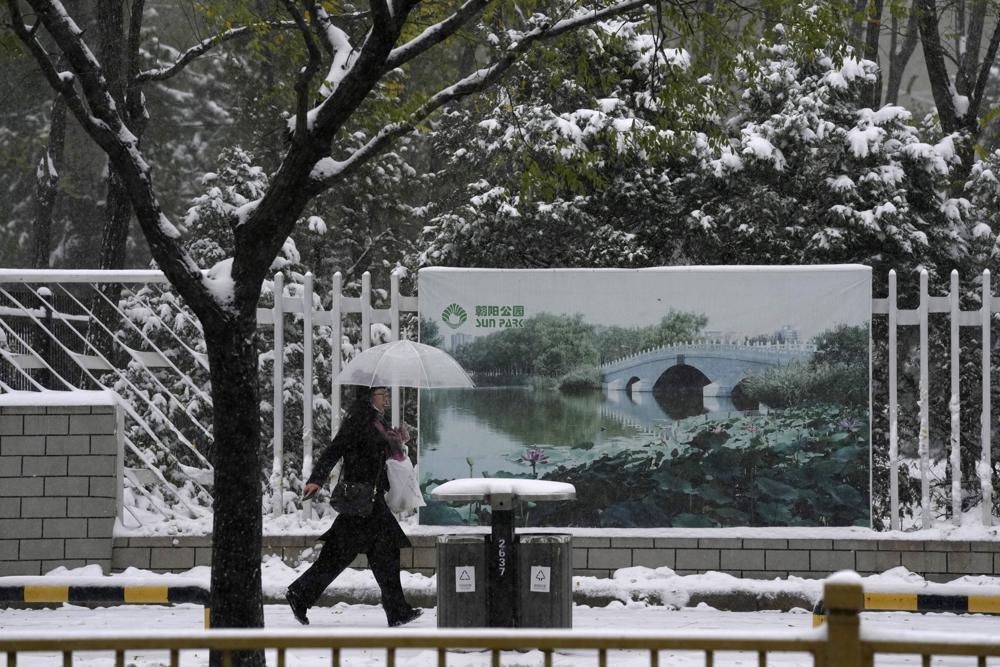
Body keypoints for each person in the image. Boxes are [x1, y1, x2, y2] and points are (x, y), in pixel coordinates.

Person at [285, 386, 422, 627]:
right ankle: (301, 593)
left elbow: (386, 454)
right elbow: (334, 449)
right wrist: (317, 479)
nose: (386, 399)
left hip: (371, 500)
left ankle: (397, 610)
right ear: (369, 396)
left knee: (374, 553)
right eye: (382, 394)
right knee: (350, 554)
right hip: (360, 500)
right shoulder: (359, 421)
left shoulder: (378, 423)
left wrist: (398, 441)